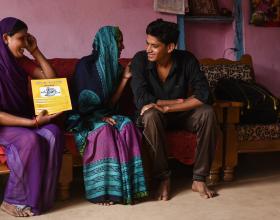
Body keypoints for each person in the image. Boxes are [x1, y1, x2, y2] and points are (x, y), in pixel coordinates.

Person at [130, 19, 218, 200]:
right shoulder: (140, 60)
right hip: (152, 117)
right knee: (151, 115)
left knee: (207, 112)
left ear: (170, 47)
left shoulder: (187, 59)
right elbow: (142, 99)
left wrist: (170, 107)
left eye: (154, 46)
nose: (148, 49)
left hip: (179, 115)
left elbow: (204, 95)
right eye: (147, 43)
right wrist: (177, 102)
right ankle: (163, 178)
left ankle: (199, 179)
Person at [66, 26, 147, 205]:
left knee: (127, 125)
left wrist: (125, 78)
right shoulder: (84, 66)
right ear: (108, 43)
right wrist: (98, 118)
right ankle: (101, 192)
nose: (123, 46)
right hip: (83, 118)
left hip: (106, 113)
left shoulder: (117, 68)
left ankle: (128, 189)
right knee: (103, 131)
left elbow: (110, 105)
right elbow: (81, 104)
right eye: (119, 42)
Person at [0, 17, 64, 217]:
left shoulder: (20, 61)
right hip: (5, 124)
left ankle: (40, 198)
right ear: (5, 38)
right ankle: (11, 200)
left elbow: (51, 80)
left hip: (23, 118)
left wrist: (35, 50)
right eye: (21, 38)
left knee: (53, 132)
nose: (25, 43)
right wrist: (33, 123)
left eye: (28, 38)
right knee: (31, 138)